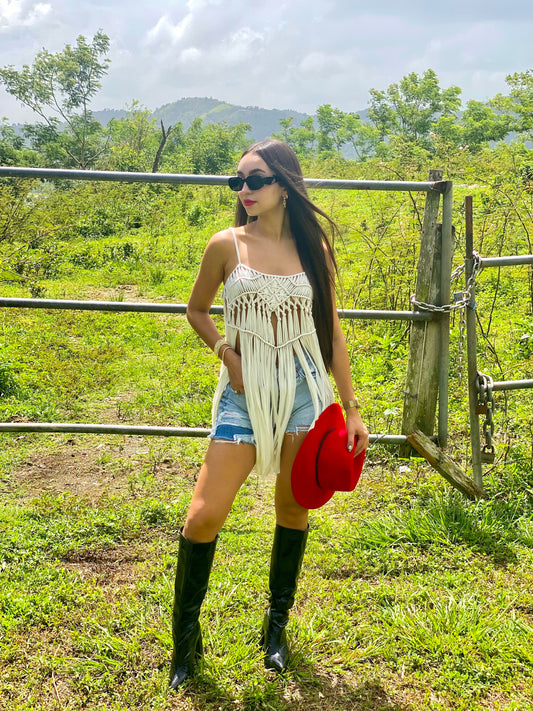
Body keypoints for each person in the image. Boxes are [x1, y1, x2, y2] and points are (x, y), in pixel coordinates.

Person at [169, 138, 369, 690]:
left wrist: (350, 408)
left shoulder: (314, 252)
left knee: (293, 508)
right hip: (243, 397)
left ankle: (275, 630)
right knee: (203, 517)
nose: (244, 191)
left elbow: (331, 333)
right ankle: (184, 645)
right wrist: (224, 351)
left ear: (284, 184)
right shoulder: (226, 244)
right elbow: (195, 309)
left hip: (305, 394)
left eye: (254, 180)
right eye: (237, 182)